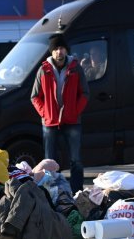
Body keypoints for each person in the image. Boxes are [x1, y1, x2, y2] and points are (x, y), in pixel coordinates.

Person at [30, 34, 89, 193]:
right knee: (49, 161)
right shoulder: (43, 70)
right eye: (55, 49)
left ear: (66, 50)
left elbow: (85, 93)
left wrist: (75, 111)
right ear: (51, 52)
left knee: (75, 160)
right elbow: (35, 96)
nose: (59, 52)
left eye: (61, 48)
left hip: (72, 121)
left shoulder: (76, 68)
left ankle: (77, 191)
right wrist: (45, 113)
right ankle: (52, 191)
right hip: (50, 122)